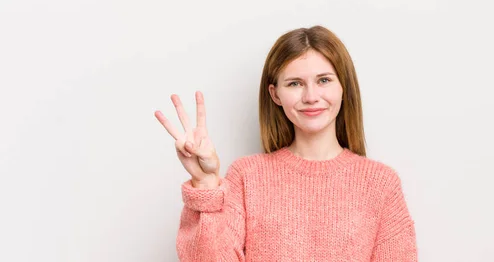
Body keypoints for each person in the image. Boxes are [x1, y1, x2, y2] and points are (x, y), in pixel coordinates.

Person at [154, 25, 417, 261]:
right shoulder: (247, 176)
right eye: (295, 84)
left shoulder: (380, 183)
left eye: (324, 80)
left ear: (343, 87)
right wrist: (205, 185)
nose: (311, 96)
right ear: (275, 94)